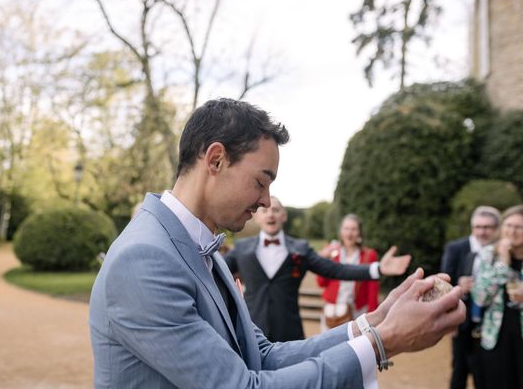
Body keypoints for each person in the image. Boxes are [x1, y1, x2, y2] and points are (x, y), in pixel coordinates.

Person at [89, 97, 466, 388]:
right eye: (261, 181)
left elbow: (263, 356)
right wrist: (383, 342)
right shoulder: (144, 258)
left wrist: (373, 322)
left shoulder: (209, 252)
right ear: (216, 160)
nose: (267, 200)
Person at [225, 200, 407, 342]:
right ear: (256, 216)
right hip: (251, 331)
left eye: (276, 210)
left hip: (290, 333)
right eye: (265, 210)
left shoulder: (301, 249)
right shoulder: (241, 249)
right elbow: (213, 271)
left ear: (284, 216)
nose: (270, 214)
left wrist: (377, 268)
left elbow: (335, 270)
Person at [440, 205, 501, 389]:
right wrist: (459, 286)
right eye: (477, 227)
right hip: (462, 320)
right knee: (459, 368)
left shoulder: (502, 250)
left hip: (494, 321)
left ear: (496, 229)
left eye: (487, 227)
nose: (481, 232)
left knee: (490, 370)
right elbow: (444, 284)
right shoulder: (456, 248)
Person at [472, 204, 523, 388]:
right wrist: (503, 262)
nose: (512, 231)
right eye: (508, 225)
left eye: (518, 227)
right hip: (496, 336)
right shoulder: (489, 254)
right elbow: (480, 297)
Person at [317, 214, 380, 333]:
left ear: (359, 232)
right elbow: (321, 283)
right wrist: (324, 261)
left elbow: (373, 289)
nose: (349, 233)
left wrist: (372, 316)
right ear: (341, 231)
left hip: (358, 313)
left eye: (353, 229)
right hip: (333, 312)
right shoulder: (332, 252)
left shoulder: (369, 255)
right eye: (346, 229)